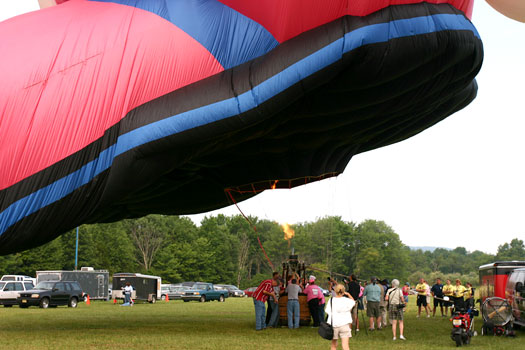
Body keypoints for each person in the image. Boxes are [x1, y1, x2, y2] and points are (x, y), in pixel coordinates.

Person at [325, 284, 355, 350]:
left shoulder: (331, 300)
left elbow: (328, 311)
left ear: (335, 291)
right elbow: (353, 302)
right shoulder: (346, 300)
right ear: (343, 291)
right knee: (345, 346)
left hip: (334, 324)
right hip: (345, 324)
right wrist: (348, 295)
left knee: (333, 345)